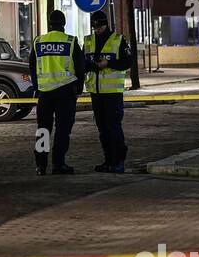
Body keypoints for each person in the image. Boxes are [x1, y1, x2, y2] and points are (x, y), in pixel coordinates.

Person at [29, 10, 85, 175]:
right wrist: (79, 88)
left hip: (45, 93)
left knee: (43, 129)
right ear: (64, 24)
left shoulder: (38, 41)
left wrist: (37, 86)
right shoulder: (70, 41)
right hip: (65, 92)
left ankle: (40, 165)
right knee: (62, 130)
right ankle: (58, 164)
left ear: (49, 23)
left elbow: (32, 66)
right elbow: (81, 67)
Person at [83, 9, 132, 173]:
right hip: (95, 92)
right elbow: (83, 63)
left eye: (100, 27)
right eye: (95, 27)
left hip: (112, 93)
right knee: (102, 129)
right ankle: (108, 160)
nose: (97, 30)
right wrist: (93, 65)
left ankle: (119, 161)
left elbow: (127, 62)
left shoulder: (118, 40)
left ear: (106, 25)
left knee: (114, 127)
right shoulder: (89, 41)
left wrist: (108, 64)